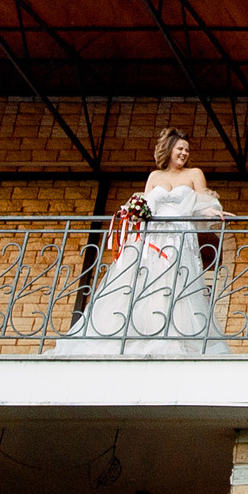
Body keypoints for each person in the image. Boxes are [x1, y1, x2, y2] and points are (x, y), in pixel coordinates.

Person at [52, 128, 230, 355]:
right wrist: (135, 212)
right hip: (151, 236)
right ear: (169, 149)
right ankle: (138, 333)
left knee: (171, 281)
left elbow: (202, 201)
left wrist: (211, 211)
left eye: (187, 150)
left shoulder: (194, 173)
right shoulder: (154, 177)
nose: (184, 153)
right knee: (141, 280)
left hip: (177, 235)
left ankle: (171, 336)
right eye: (180, 148)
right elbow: (147, 205)